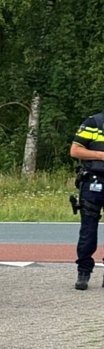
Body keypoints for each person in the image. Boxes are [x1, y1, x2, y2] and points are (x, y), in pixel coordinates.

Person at [70, 111, 104, 290]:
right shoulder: (94, 123)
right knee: (88, 230)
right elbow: (75, 150)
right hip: (93, 182)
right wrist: (101, 155)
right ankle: (84, 272)